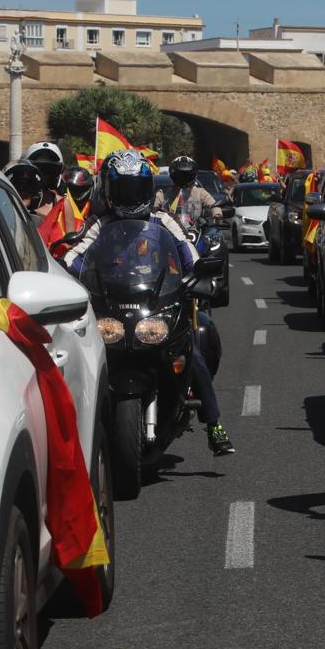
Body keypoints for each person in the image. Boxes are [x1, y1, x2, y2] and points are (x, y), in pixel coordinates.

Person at [65, 150, 235, 456]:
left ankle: (214, 424)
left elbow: (189, 255)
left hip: (157, 302)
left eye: (136, 189)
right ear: (110, 190)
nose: (130, 197)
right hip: (112, 305)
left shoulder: (162, 220)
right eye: (123, 189)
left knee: (193, 353)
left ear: (146, 189)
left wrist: (196, 276)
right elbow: (73, 257)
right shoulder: (100, 223)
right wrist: (64, 274)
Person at [155, 156, 225, 231]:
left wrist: (217, 215)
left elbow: (214, 205)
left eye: (187, 176)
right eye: (180, 176)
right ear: (173, 175)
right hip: (168, 231)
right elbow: (154, 209)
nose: (183, 179)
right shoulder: (164, 193)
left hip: (194, 231)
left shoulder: (200, 192)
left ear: (193, 176)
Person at [39, 165, 94, 257]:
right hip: (55, 258)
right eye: (68, 189)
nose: (71, 193)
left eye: (77, 190)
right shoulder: (57, 203)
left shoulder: (95, 209)